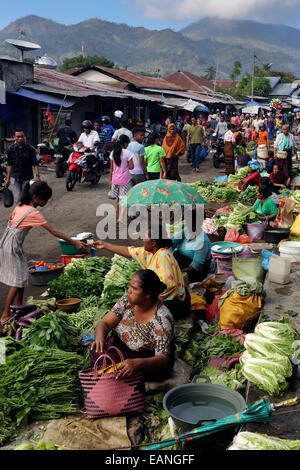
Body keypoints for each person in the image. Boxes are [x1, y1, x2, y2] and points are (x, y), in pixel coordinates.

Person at [0, 181, 85, 324]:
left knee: (22, 275)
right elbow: (53, 231)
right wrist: (74, 242)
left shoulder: (21, 205)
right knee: (17, 280)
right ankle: (5, 314)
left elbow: (10, 219)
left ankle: (18, 308)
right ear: (35, 197)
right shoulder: (33, 212)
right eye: (44, 199)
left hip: (8, 243)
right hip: (12, 247)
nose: (46, 202)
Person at [93, 223, 191, 318]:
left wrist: (145, 300)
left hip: (175, 304)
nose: (142, 240)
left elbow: (168, 286)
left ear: (153, 242)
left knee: (134, 311)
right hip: (163, 300)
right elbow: (129, 251)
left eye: (144, 238)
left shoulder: (163, 256)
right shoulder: (150, 252)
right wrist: (104, 245)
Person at [91, 270, 175, 378]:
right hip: (119, 348)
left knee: (119, 371)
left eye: (134, 288)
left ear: (148, 294)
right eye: (130, 286)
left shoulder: (161, 319)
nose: (129, 291)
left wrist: (138, 364)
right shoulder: (126, 302)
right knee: (98, 351)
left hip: (145, 360)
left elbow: (163, 359)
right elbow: (105, 323)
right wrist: (99, 338)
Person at [170, 210, 212, 283]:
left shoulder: (202, 241)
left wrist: (178, 272)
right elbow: (171, 242)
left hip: (195, 270)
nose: (188, 224)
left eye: (191, 222)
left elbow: (195, 267)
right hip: (181, 259)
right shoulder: (186, 230)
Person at [4, 129, 40, 205]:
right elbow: (9, 164)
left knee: (25, 198)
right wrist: (7, 179)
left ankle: (24, 215)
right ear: (14, 137)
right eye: (18, 136)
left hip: (26, 178)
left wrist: (37, 176)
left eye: (22, 136)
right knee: (18, 198)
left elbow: (35, 163)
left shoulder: (30, 149)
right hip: (15, 178)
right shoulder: (11, 149)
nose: (20, 138)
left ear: (24, 137)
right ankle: (17, 216)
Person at [109, 135, 134, 223]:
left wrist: (110, 180)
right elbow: (131, 167)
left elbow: (111, 168)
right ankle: (121, 218)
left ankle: (119, 216)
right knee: (125, 199)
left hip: (115, 179)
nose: (128, 145)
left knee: (118, 199)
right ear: (125, 143)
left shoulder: (113, 152)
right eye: (127, 143)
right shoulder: (128, 153)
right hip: (125, 180)